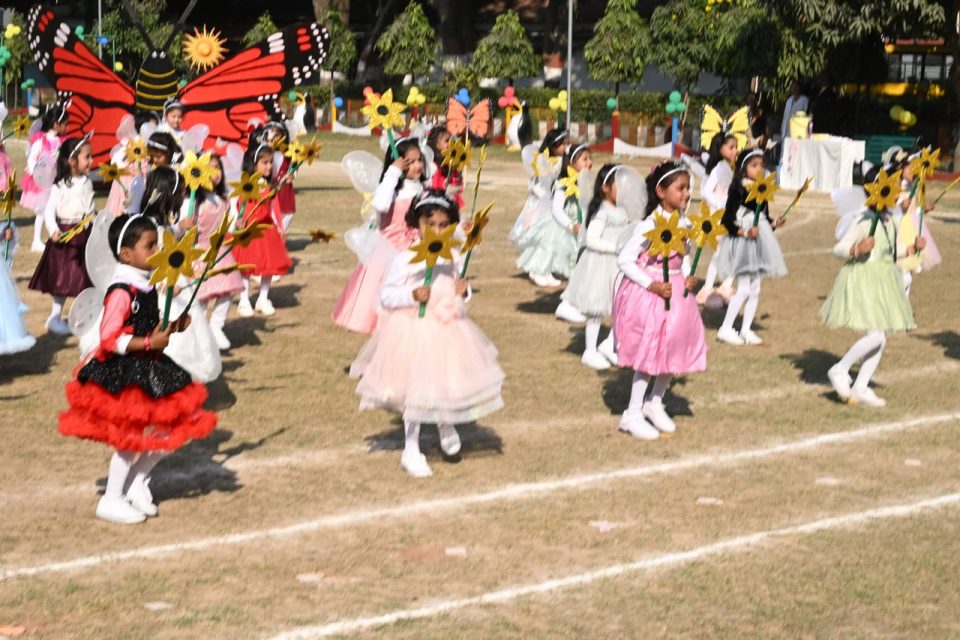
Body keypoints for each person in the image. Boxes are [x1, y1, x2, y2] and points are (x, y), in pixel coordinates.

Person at [58, 213, 217, 524]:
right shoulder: (122, 291)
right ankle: (111, 498)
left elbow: (148, 326)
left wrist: (173, 326)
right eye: (150, 246)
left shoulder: (146, 284)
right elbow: (108, 337)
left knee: (172, 428)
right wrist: (147, 342)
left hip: (152, 367)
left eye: (157, 244)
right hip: (126, 374)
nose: (157, 251)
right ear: (127, 254)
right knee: (129, 440)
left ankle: (135, 483)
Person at [350, 190, 504, 478]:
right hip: (415, 330)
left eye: (443, 225)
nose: (436, 231)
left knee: (448, 380)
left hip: (448, 330)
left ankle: (446, 422)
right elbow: (386, 296)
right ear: (416, 224)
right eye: (429, 224)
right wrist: (412, 294)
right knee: (416, 389)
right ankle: (411, 448)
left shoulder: (453, 256)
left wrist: (465, 291)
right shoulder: (405, 259)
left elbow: (457, 291)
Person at [612, 161, 706, 440]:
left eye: (688, 188)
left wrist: (687, 276)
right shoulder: (649, 225)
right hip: (652, 295)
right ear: (661, 192)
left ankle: (655, 401)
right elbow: (625, 260)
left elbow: (683, 257)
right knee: (649, 352)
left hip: (677, 295)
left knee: (673, 347)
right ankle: (632, 413)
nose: (686, 193)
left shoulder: (685, 224)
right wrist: (651, 284)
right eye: (680, 188)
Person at [823, 167, 920, 407]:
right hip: (864, 279)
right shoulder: (864, 219)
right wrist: (857, 249)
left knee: (881, 338)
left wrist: (911, 249)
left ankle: (861, 387)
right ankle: (840, 368)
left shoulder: (890, 219)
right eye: (892, 187)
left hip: (885, 279)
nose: (897, 192)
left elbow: (892, 252)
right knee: (876, 335)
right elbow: (839, 248)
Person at [332, 137, 426, 334]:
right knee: (386, 302)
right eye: (410, 162)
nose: (417, 166)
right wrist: (393, 172)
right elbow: (380, 204)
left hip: (416, 252)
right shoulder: (389, 189)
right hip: (389, 254)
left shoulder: (422, 189)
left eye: (419, 160)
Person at [715, 148, 788, 346]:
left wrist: (774, 223)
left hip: (756, 243)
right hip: (742, 244)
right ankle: (725, 328)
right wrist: (745, 232)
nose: (759, 169)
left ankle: (746, 329)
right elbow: (727, 221)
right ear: (743, 168)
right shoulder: (738, 189)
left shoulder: (763, 189)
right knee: (744, 288)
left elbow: (763, 217)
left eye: (762, 165)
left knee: (755, 289)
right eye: (754, 165)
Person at [28, 135, 96, 335]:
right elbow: (49, 210)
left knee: (84, 278)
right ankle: (55, 317)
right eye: (87, 157)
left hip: (83, 235)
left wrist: (91, 223)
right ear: (72, 161)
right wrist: (53, 230)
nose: (91, 161)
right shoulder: (59, 186)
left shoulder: (88, 183)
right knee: (62, 278)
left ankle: (82, 316)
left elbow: (90, 209)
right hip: (65, 237)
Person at [561, 164, 626, 370]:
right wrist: (615, 248)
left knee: (620, 306)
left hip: (617, 265)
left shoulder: (622, 210)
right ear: (605, 187)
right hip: (600, 263)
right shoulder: (602, 211)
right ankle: (590, 351)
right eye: (619, 184)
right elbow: (591, 240)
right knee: (596, 309)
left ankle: (610, 344)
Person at [182, 153, 242, 350]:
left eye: (218, 168)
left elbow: (227, 224)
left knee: (229, 287)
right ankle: (198, 333)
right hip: (198, 252)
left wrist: (237, 225)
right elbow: (182, 225)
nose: (215, 173)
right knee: (199, 296)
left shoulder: (223, 200)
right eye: (210, 168)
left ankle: (216, 325)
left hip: (219, 250)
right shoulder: (191, 201)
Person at [516, 142, 591, 288]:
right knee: (548, 247)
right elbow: (557, 209)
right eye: (585, 159)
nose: (589, 162)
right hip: (557, 222)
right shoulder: (564, 182)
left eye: (590, 159)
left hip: (573, 221)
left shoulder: (582, 180)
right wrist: (570, 225)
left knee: (564, 250)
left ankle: (549, 271)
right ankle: (539, 271)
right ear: (572, 162)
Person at [232, 142, 292, 317]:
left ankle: (263, 298)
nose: (269, 166)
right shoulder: (246, 184)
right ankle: (244, 300)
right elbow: (236, 205)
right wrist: (237, 221)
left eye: (270, 162)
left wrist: (278, 226)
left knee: (269, 265)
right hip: (249, 230)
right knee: (246, 266)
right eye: (264, 162)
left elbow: (272, 207)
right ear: (254, 164)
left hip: (266, 229)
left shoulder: (268, 185)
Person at [697, 131, 739, 306]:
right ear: (720, 149)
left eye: (736, 147)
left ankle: (724, 286)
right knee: (721, 253)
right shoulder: (719, 168)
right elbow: (706, 191)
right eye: (731, 147)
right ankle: (709, 288)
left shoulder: (728, 167)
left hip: (728, 215)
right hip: (720, 218)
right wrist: (721, 204)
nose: (735, 151)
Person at [509, 128, 568, 251]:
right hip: (541, 200)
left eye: (567, 143)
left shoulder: (564, 160)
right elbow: (536, 182)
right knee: (536, 229)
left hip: (557, 199)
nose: (566, 147)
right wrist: (546, 198)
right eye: (563, 144)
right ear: (553, 145)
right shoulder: (541, 159)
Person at [21, 102, 69, 252]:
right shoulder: (41, 140)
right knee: (42, 211)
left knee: (54, 209)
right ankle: (36, 240)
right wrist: (36, 173)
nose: (67, 127)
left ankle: (52, 235)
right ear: (56, 124)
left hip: (55, 180)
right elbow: (32, 158)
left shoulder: (61, 141)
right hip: (42, 182)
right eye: (65, 124)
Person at [426, 127, 464, 208]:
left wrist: (457, 185)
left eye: (451, 141)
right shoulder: (432, 165)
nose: (450, 144)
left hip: (450, 202)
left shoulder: (452, 163)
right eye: (446, 141)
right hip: (436, 203)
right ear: (434, 143)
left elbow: (457, 182)